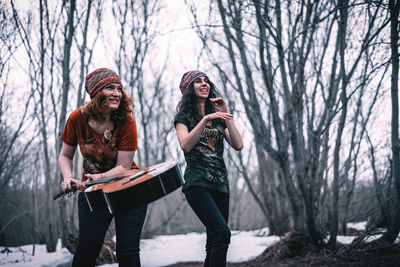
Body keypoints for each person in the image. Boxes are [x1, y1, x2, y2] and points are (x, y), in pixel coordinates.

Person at [59, 68, 147, 267]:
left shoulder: (127, 122)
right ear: (96, 93)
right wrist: (68, 177)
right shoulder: (77, 119)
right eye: (110, 88)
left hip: (130, 190)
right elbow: (65, 155)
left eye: (119, 89)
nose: (117, 93)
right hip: (93, 192)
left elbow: (124, 166)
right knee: (87, 247)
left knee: (127, 251)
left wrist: (100, 177)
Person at [174, 70, 243, 267]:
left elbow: (238, 144)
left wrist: (226, 113)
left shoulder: (219, 116)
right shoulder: (183, 117)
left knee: (213, 240)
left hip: (221, 185)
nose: (204, 84)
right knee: (222, 233)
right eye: (198, 82)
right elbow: (186, 145)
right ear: (189, 89)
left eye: (206, 81)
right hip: (197, 184)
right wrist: (204, 120)